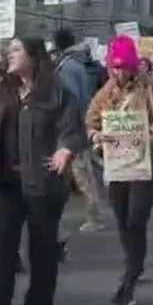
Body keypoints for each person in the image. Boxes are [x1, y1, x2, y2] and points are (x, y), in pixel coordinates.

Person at [0, 37, 86, 305]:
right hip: (7, 185)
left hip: (44, 184)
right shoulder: (2, 90)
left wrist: (65, 149)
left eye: (16, 50)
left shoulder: (57, 90)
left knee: (42, 251)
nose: (9, 55)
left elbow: (72, 128)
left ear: (33, 56)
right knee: (2, 254)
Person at [86, 35, 153, 305]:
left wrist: (152, 133)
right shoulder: (105, 92)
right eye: (114, 67)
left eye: (123, 67)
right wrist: (96, 136)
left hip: (145, 166)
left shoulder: (150, 89)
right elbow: (90, 120)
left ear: (133, 65)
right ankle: (136, 263)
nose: (119, 73)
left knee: (136, 218)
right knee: (122, 221)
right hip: (117, 168)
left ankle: (128, 280)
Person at [52, 29, 103, 232]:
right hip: (76, 124)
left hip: (72, 126)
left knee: (82, 174)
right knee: (73, 173)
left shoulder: (68, 67)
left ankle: (94, 216)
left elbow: (72, 98)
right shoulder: (76, 64)